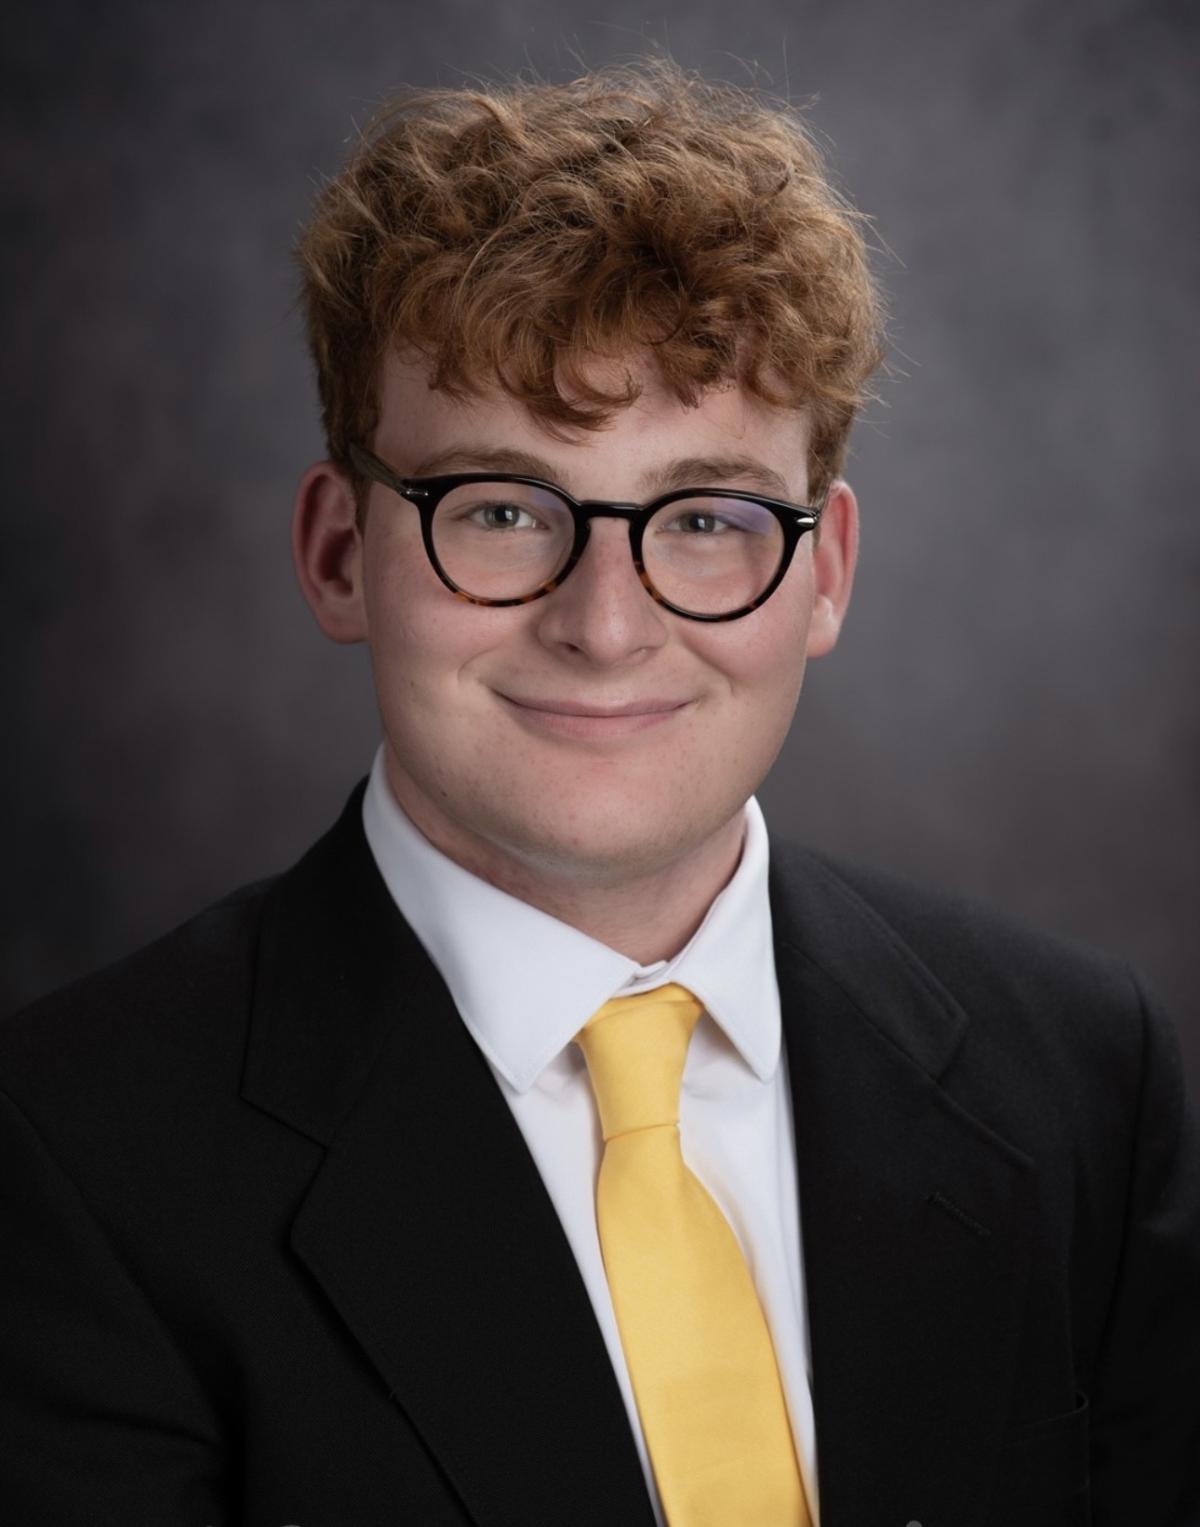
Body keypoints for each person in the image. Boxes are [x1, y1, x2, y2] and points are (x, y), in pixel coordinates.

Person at [1, 60, 1196, 1527]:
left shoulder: (1085, 1077)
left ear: (822, 575)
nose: (607, 623)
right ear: (336, 554)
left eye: (706, 518)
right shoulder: (67, 1155)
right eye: (500, 510)